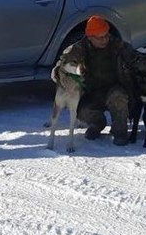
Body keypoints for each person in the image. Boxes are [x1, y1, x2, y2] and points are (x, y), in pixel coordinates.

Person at [57, 15, 136, 146]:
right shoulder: (78, 49)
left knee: (118, 97)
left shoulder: (119, 46)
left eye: (106, 35)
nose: (105, 39)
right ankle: (97, 123)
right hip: (91, 92)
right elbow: (61, 69)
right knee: (82, 110)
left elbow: (136, 60)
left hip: (114, 88)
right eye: (100, 37)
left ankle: (119, 131)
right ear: (90, 37)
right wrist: (68, 78)